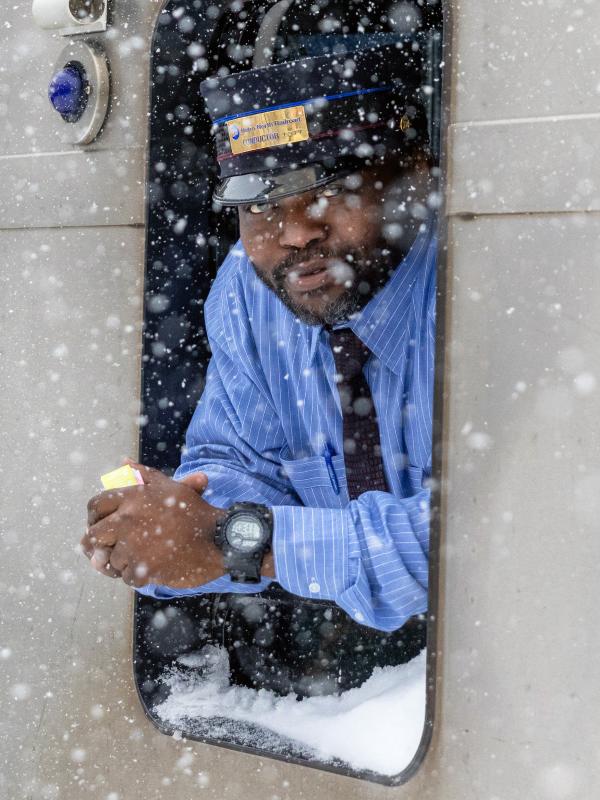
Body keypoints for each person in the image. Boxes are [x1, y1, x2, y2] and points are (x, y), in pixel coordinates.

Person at [81, 41, 437, 638]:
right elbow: (237, 461)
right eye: (258, 205)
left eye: (329, 192)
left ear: (416, 175)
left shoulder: (486, 281)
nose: (295, 234)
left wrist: (237, 540)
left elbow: (487, 537)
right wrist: (168, 521)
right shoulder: (250, 289)